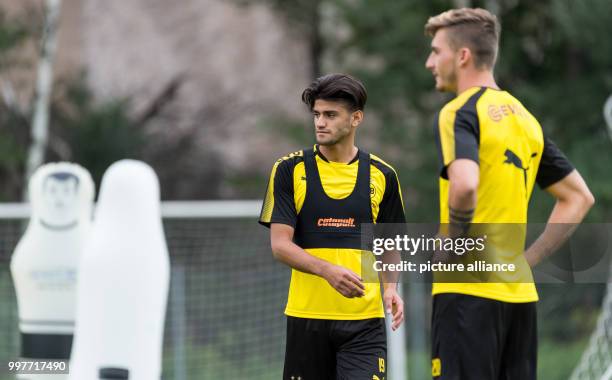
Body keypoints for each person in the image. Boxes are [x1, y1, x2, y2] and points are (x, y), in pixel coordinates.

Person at [424, 8, 595, 379]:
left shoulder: (459, 113)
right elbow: (579, 197)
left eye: (437, 52)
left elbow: (465, 184)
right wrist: (526, 262)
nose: (429, 62)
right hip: (518, 298)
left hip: (468, 294)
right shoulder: (524, 119)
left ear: (463, 56)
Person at [259, 73, 406, 380]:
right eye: (316, 114)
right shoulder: (289, 170)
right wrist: (328, 271)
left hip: (365, 323)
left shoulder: (383, 175)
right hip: (306, 321)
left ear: (356, 119)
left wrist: (390, 287)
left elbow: (390, 245)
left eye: (330, 115)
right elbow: (280, 246)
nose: (320, 123)